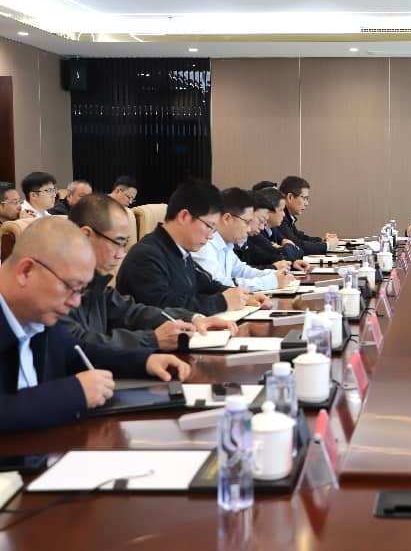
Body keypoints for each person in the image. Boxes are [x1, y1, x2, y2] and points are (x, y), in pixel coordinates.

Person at [0, 217, 190, 432]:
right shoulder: (37, 310)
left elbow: (76, 352)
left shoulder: (37, 315)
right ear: (26, 271)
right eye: (71, 287)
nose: (76, 302)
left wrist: (145, 361)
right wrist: (73, 394)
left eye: (81, 291)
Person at [60, 194, 237, 350]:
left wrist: (192, 319)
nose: (121, 254)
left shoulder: (94, 283)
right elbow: (76, 344)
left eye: (124, 244)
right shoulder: (57, 285)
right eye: (118, 242)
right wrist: (152, 340)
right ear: (86, 235)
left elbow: (132, 312)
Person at [116, 180, 260, 315]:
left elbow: (206, 285)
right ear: (184, 216)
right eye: (209, 226)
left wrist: (242, 296)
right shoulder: (146, 255)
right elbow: (163, 308)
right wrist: (222, 302)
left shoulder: (180, 251)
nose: (210, 236)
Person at [191, 187, 301, 293]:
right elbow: (220, 285)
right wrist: (271, 281)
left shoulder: (226, 244)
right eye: (247, 222)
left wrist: (273, 274)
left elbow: (242, 271)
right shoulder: (205, 244)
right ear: (227, 219)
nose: (248, 229)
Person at [237, 188, 306, 268]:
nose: (262, 227)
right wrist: (274, 267)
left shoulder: (246, 240)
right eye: (261, 220)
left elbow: (263, 257)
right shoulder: (248, 237)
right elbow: (240, 272)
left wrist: (293, 263)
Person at [278, 175, 339, 254]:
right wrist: (327, 246)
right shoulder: (280, 218)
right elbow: (296, 245)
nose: (306, 203)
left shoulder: (288, 216)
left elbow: (299, 237)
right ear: (290, 197)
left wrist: (322, 240)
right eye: (304, 198)